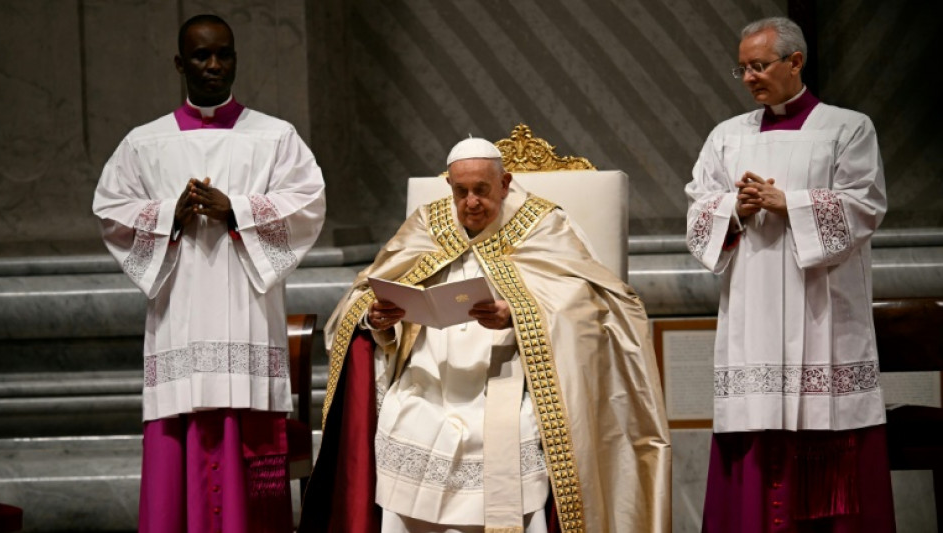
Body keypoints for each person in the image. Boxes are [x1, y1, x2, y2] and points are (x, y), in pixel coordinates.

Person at [300, 137, 670, 532]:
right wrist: (378, 319)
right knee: (406, 416)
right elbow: (362, 295)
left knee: (510, 430)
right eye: (461, 192)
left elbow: (591, 305)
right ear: (450, 187)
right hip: (428, 374)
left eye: (482, 190)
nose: (472, 202)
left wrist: (517, 316)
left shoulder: (544, 225)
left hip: (508, 376)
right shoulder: (428, 223)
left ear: (505, 182)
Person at [93, 14, 326, 533]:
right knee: (181, 433)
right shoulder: (144, 144)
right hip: (179, 318)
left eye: (224, 54)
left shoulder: (275, 137)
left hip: (248, 318)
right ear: (180, 63)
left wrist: (237, 209)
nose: (215, 65)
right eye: (201, 56)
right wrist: (167, 216)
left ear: (236, 58)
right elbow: (111, 209)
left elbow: (308, 202)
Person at [685, 16, 894, 533]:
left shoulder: (847, 128)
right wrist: (735, 206)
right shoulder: (726, 137)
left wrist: (788, 202)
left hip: (822, 312)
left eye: (759, 65)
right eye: (743, 69)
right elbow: (696, 214)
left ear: (795, 61)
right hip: (752, 316)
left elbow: (865, 205)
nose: (750, 77)